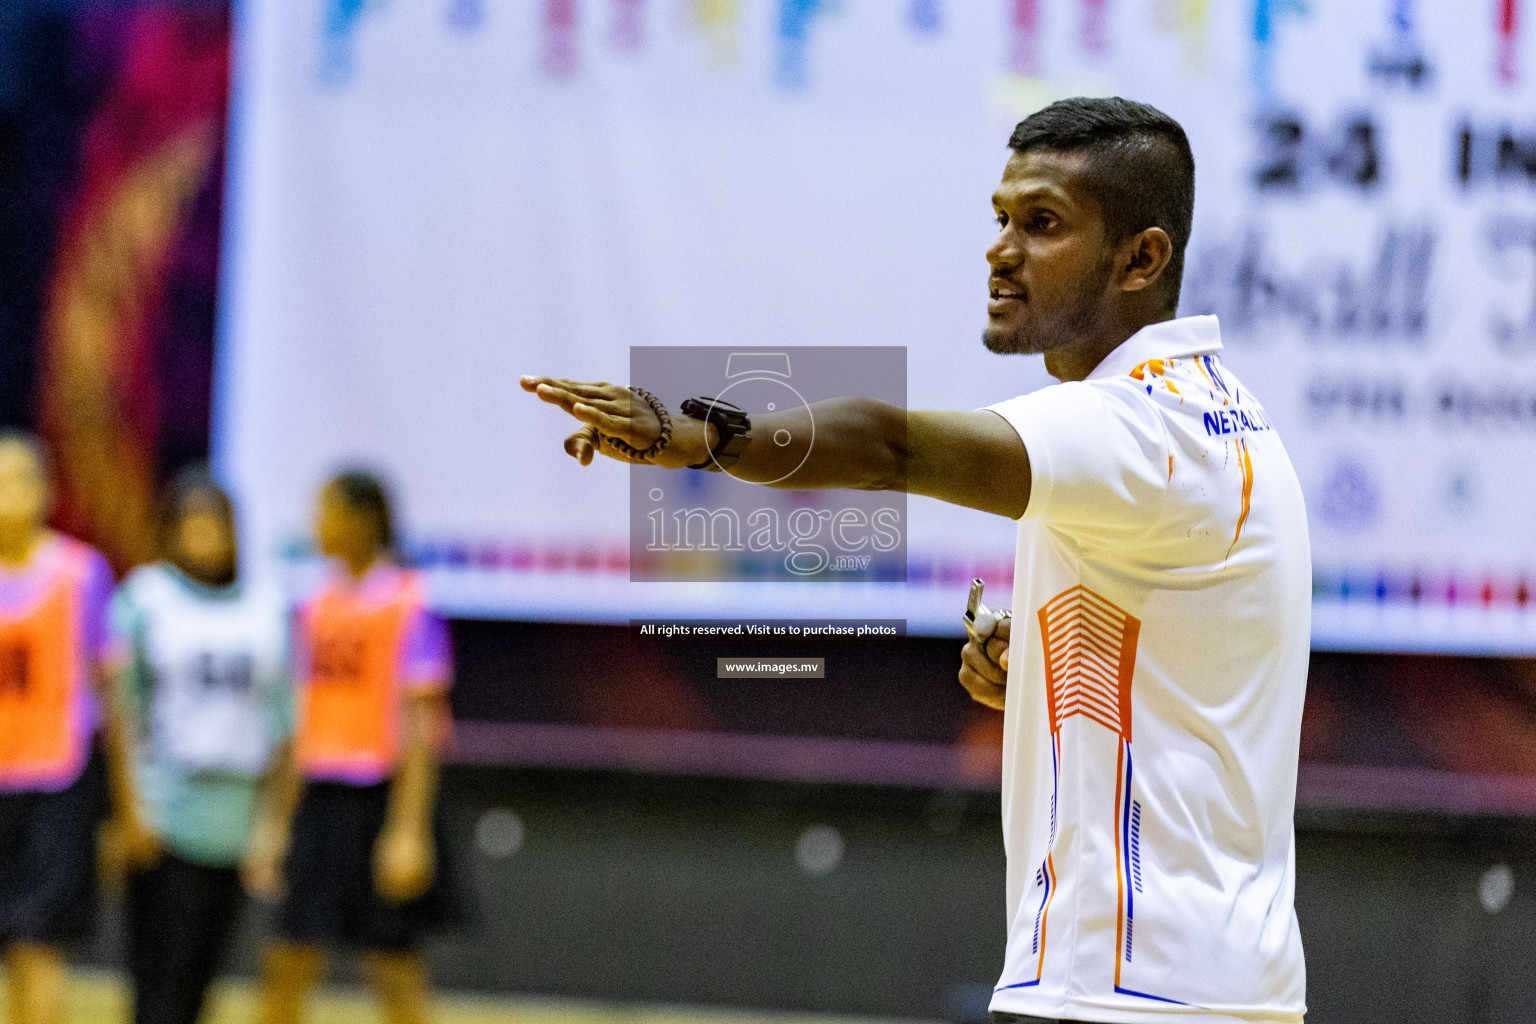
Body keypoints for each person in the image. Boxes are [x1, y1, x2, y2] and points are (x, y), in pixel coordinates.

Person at [523, 97, 1310, 1024]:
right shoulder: (1218, 415)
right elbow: (1198, 654)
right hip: (1214, 979)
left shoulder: (1139, 425)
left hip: (1129, 987)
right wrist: (1044, 664)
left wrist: (701, 439)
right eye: (1002, 218)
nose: (1001, 249)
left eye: (1043, 224)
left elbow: (889, 446)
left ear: (1142, 258)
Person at [246, 470, 455, 1024]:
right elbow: (299, 725)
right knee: (289, 954)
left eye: (326, 511)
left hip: (380, 800)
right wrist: (276, 821)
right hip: (320, 799)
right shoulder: (315, 606)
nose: (315, 524)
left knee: (392, 963)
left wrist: (408, 830)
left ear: (362, 521)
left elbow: (420, 727)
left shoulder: (412, 603)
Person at [111, 467, 291, 1024]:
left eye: (216, 523)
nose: (205, 535)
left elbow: (286, 725)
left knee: (200, 984)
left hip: (235, 818)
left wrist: (272, 823)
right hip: (164, 811)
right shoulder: (146, 597)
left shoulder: (266, 605)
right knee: (157, 988)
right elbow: (120, 714)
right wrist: (130, 810)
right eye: (191, 523)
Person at [0, 431, 116, 1024]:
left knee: (38, 945)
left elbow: (109, 687)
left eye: (19, 477)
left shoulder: (80, 573)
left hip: (55, 784)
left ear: (44, 490)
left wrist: (126, 802)